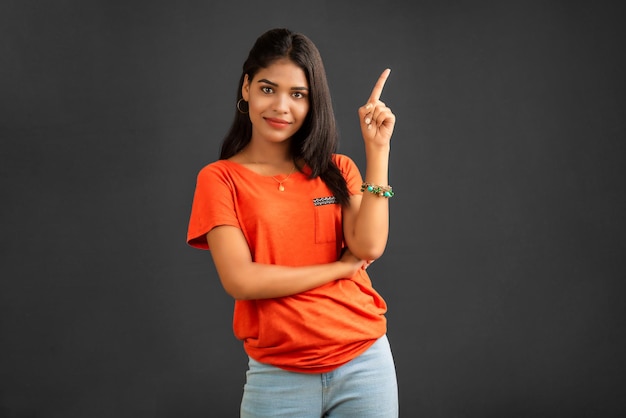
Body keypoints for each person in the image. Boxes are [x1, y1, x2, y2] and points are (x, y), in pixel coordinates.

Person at [187, 28, 398, 417]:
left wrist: (377, 149)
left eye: (298, 95)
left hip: (364, 362)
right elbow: (241, 280)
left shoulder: (337, 169)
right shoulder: (220, 179)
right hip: (278, 375)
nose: (281, 106)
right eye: (268, 89)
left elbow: (368, 247)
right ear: (247, 87)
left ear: (312, 102)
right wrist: (339, 268)